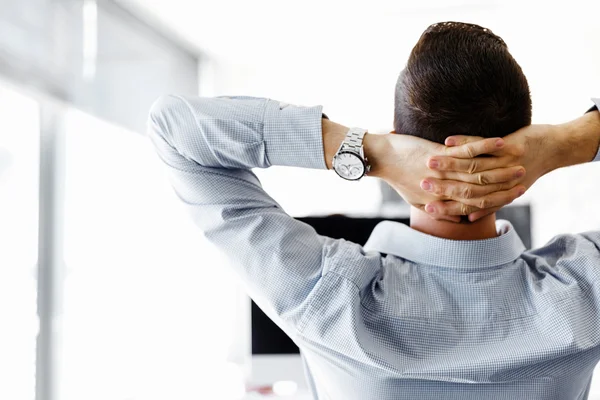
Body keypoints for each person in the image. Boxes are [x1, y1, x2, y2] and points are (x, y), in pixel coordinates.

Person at [147, 21, 600, 400]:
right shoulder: (584, 290)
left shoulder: (324, 294)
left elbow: (175, 130)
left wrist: (368, 152)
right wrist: (566, 144)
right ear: (522, 157)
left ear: (400, 136)